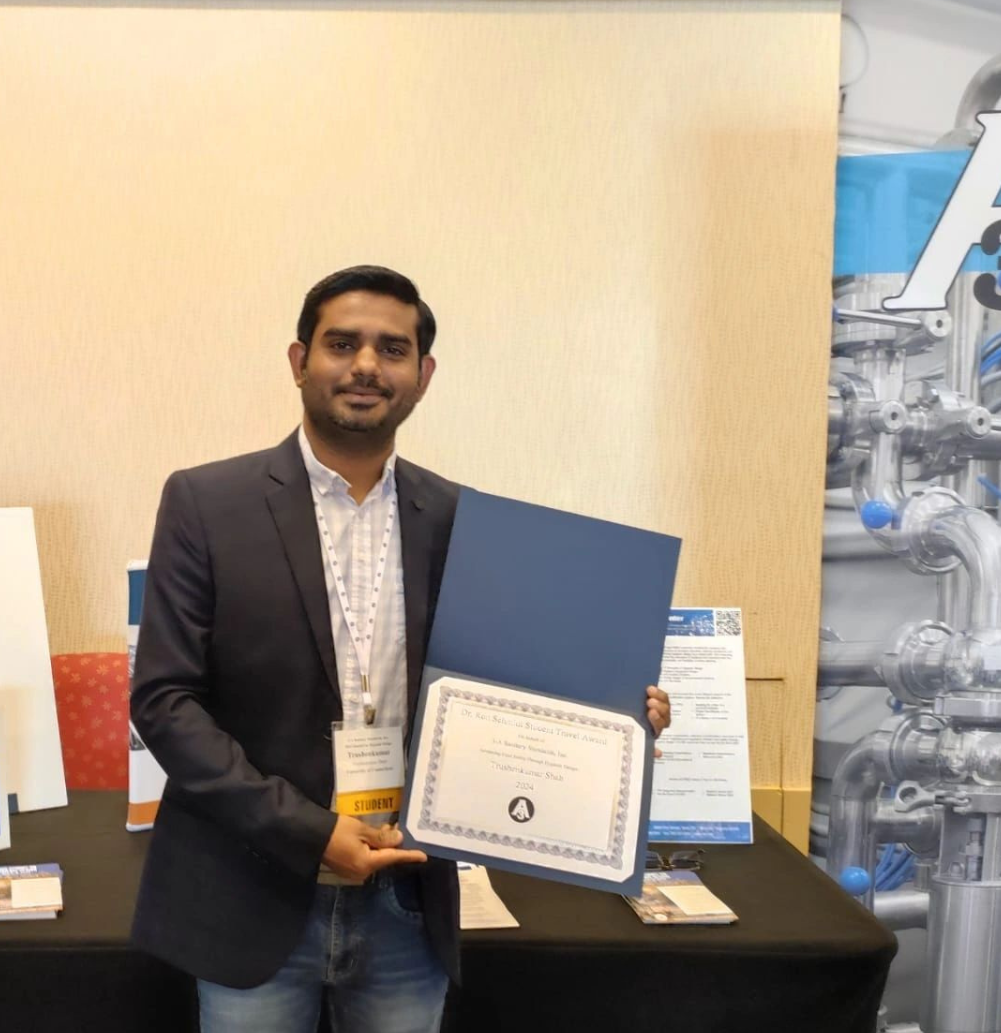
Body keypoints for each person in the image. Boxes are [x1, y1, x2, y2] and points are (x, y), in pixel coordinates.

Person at [129, 265, 672, 1033]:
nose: (364, 366)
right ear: (298, 361)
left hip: (407, 898)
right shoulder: (205, 502)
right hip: (250, 891)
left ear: (423, 375)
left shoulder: (463, 521)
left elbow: (517, 685)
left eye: (392, 349)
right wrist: (309, 832)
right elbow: (165, 701)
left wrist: (617, 709)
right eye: (341, 344)